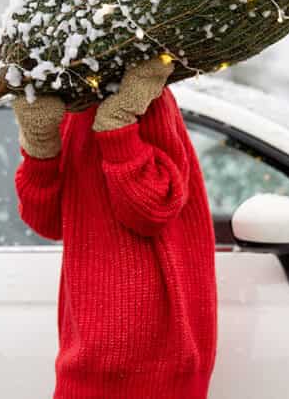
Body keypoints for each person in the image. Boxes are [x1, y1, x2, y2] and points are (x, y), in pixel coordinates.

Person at [12, 57, 217, 398]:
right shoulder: (76, 108)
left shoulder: (146, 100)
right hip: (87, 359)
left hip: (158, 362)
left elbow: (153, 209)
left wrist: (118, 127)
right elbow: (46, 221)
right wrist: (39, 147)